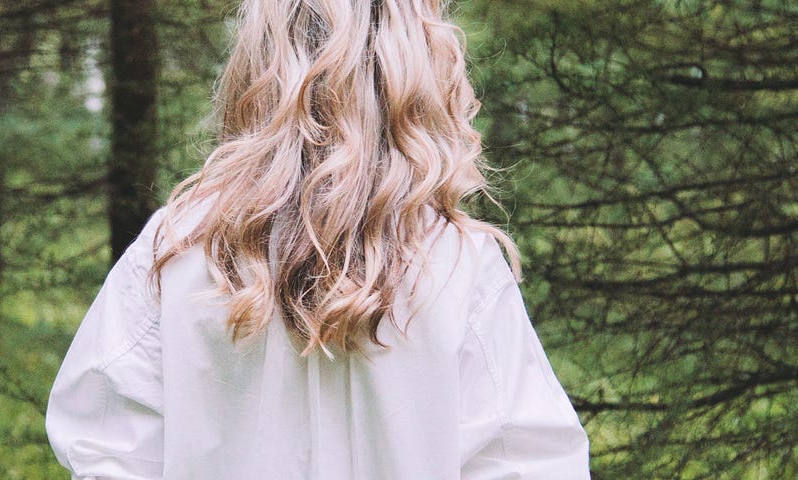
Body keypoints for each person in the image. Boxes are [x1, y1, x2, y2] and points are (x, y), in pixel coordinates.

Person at [44, 0, 590, 478]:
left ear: (259, 61)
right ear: (417, 64)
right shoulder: (457, 265)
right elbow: (528, 463)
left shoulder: (177, 251)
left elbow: (107, 449)